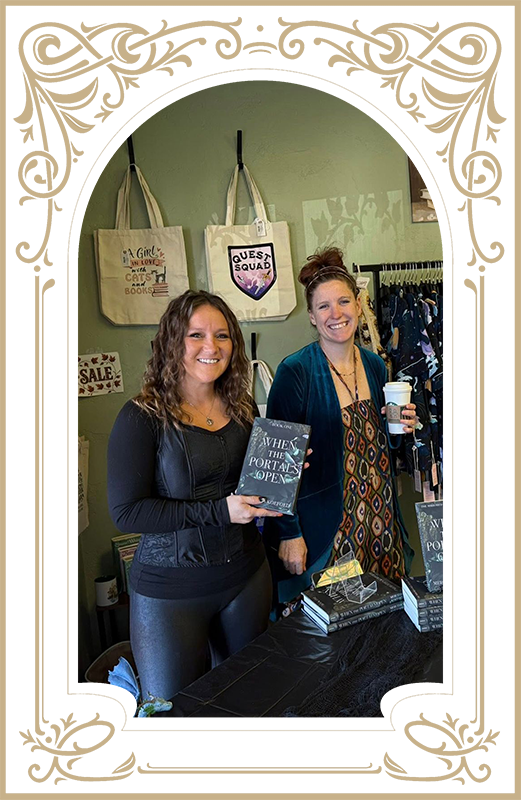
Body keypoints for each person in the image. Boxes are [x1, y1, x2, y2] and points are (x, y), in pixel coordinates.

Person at [107, 290, 282, 704]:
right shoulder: (140, 417)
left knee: (252, 703)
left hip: (247, 576)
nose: (211, 347)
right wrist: (220, 511)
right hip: (170, 594)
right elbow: (127, 513)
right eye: (196, 335)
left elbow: (246, 486)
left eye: (222, 335)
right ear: (172, 341)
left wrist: (282, 471)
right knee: (173, 719)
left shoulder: (241, 407)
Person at [263, 247, 416, 614]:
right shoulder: (295, 372)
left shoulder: (376, 366)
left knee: (384, 624)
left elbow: (377, 445)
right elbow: (273, 468)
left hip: (381, 522)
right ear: (313, 318)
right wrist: (289, 534)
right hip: (330, 531)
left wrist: (401, 429)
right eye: (323, 307)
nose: (336, 314)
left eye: (344, 301)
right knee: (334, 634)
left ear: (359, 305)